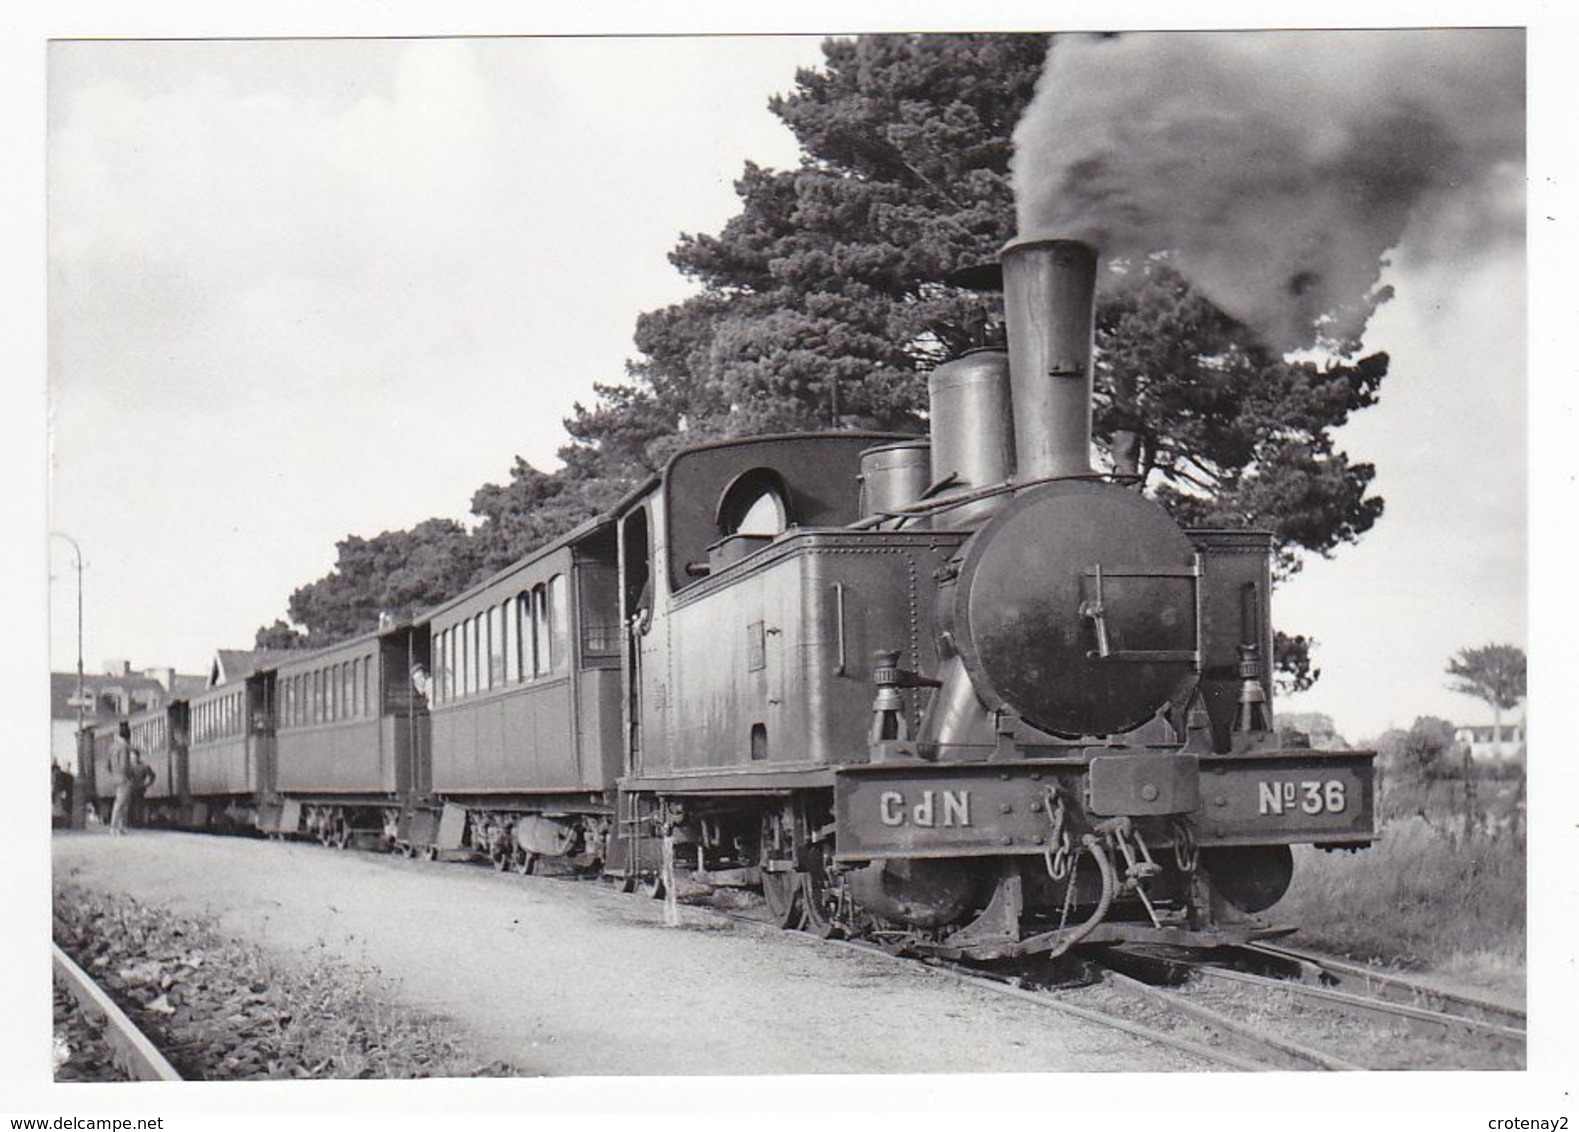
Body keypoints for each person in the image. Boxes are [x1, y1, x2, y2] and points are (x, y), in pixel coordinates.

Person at [107, 723, 136, 836]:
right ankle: (115, 827)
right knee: (121, 803)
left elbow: (108, 765)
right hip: (124, 777)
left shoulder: (112, 747)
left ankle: (120, 827)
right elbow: (124, 764)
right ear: (128, 737)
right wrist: (131, 774)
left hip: (115, 777)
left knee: (120, 802)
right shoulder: (124, 747)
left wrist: (114, 773)